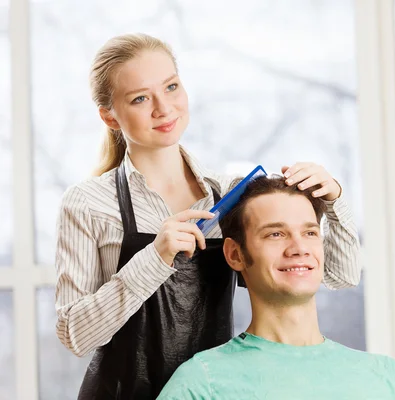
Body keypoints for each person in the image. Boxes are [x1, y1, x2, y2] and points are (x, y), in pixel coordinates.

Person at [54, 33, 362, 399]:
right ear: (110, 116)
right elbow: (75, 334)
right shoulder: (87, 203)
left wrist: (333, 201)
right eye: (140, 98)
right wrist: (154, 259)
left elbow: (339, 275)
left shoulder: (231, 194)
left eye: (171, 87)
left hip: (210, 392)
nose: (163, 108)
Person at [157, 176, 395, 400]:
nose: (299, 248)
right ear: (235, 254)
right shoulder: (202, 383)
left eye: (310, 233)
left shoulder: (387, 379)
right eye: (275, 234)